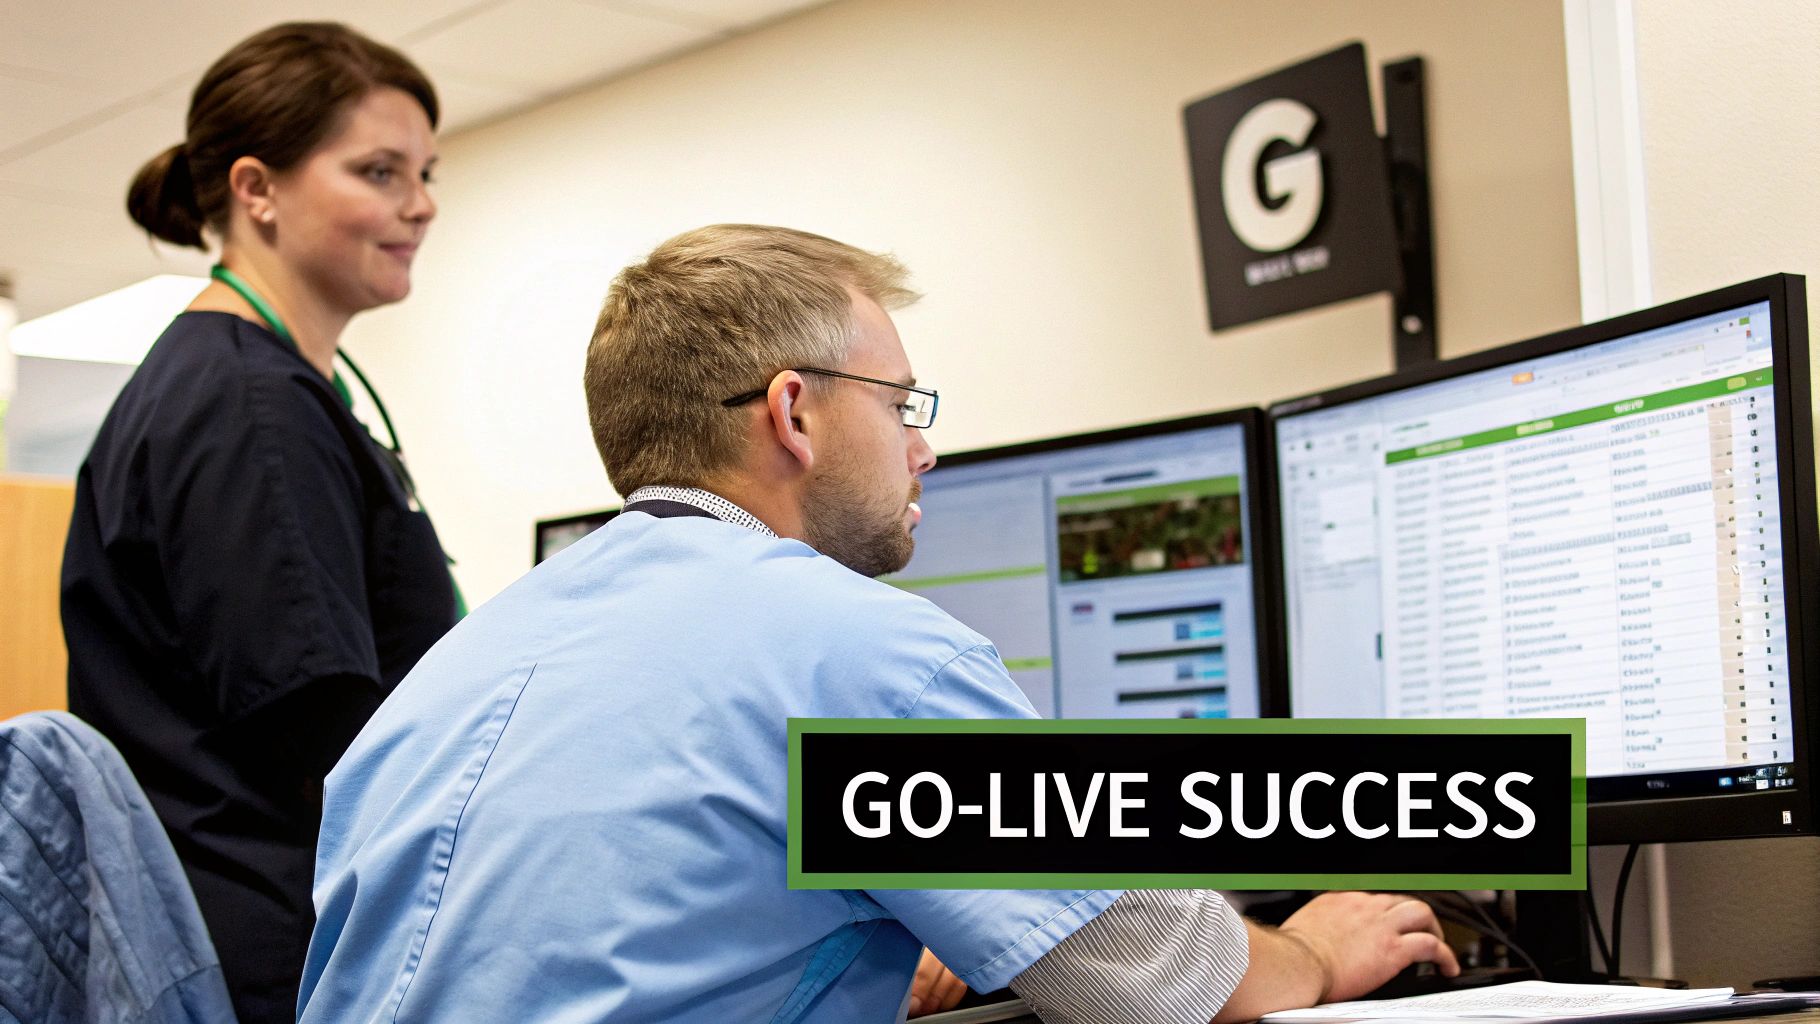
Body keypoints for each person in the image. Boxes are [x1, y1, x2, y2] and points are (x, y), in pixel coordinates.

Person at [299, 225, 1456, 1022]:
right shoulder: (862, 653)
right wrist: (1313, 951)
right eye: (900, 404)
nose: (923, 447)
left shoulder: (451, 670)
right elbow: (1152, 976)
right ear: (793, 413)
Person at [60, 23, 455, 1024]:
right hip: (272, 959)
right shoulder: (248, 408)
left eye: (425, 173)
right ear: (257, 189)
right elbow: (321, 735)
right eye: (379, 171)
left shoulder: (260, 388)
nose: (420, 203)